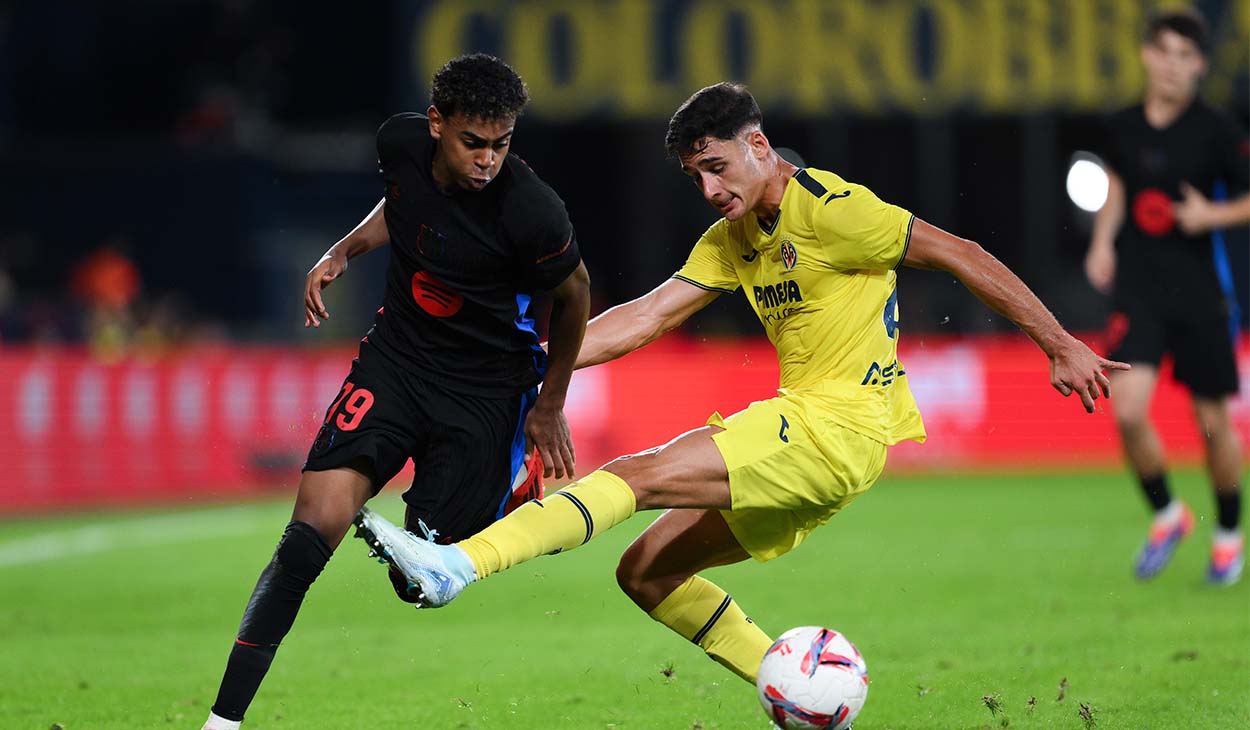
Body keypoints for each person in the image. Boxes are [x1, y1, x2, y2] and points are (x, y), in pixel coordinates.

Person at [352, 81, 1124, 689]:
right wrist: (531, 359)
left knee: (633, 475)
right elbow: (648, 315)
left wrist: (1059, 344)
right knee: (647, 572)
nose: (711, 188)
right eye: (695, 176)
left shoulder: (833, 210)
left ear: (758, 146)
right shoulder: (732, 236)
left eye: (718, 166)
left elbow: (960, 250)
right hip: (829, 446)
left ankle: (459, 564)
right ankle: (799, 692)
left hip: (838, 424)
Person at [201, 54, 591, 730]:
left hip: (486, 394)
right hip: (398, 365)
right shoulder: (400, 143)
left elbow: (576, 292)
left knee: (419, 581)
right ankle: (223, 722)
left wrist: (548, 405)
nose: (487, 160)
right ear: (437, 124)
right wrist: (344, 251)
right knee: (307, 534)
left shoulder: (532, 210)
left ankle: (509, 487)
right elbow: (403, 205)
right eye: (473, 143)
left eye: (501, 145)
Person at [1083, 9, 1248, 585]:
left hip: (1202, 292)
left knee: (1212, 422)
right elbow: (1119, 186)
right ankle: (1168, 515)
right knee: (1126, 410)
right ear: (1147, 56)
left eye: (1186, 56)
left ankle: (1227, 533)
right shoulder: (1123, 126)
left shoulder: (1219, 131)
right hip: (1139, 288)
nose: (1173, 66)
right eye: (1164, 52)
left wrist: (1213, 214)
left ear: (1200, 66)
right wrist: (1103, 241)